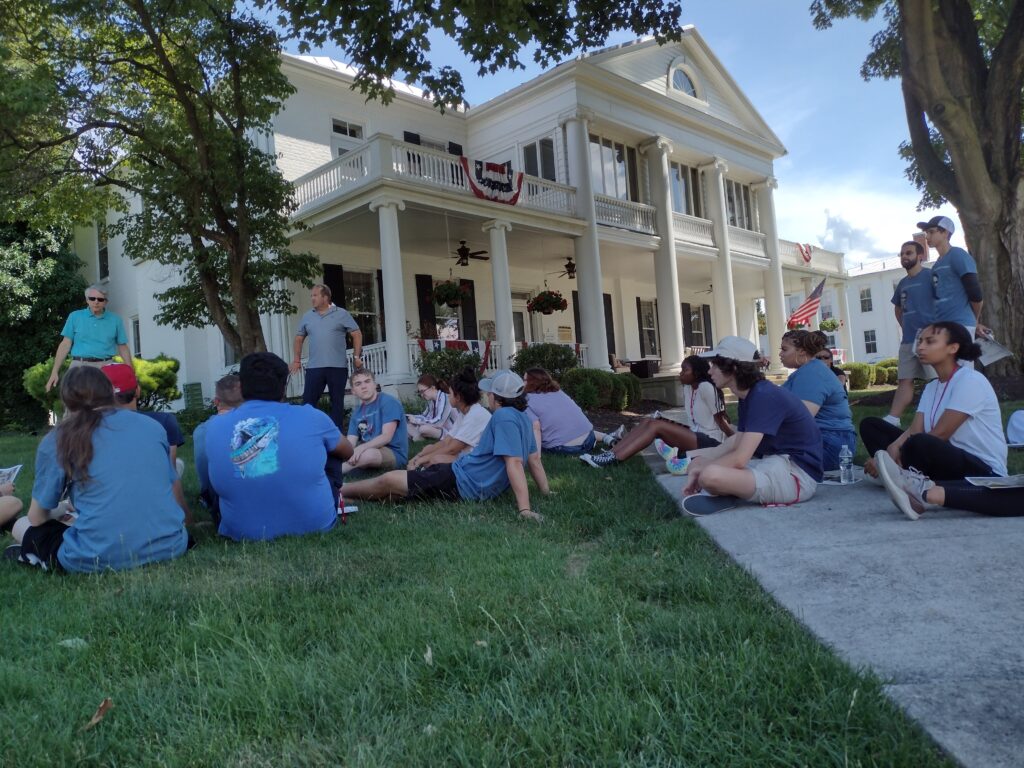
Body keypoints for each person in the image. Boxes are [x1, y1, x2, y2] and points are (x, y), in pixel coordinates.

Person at [5, 366, 189, 572]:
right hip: (171, 544)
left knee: (22, 524)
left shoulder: (58, 439)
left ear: (66, 400)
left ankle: (33, 553)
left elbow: (37, 517)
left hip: (95, 556)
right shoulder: (152, 427)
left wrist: (64, 508)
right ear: (110, 392)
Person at [343, 370, 549, 521]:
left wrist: (524, 510)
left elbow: (513, 462)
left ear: (497, 397)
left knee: (390, 480)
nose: (487, 396)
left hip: (463, 480)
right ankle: (351, 496)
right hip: (464, 475)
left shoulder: (502, 416)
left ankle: (340, 489)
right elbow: (535, 460)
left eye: (490, 393)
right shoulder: (523, 418)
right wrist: (546, 492)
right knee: (398, 491)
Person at [205, 352, 354, 541]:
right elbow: (347, 451)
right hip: (315, 524)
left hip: (241, 531)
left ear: (241, 386)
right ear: (284, 387)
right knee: (331, 447)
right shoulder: (312, 417)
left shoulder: (215, 426)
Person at [678, 336, 823, 517]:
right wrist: (698, 459)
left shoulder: (763, 396)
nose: (710, 372)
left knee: (710, 475)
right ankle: (732, 491)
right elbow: (737, 441)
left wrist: (704, 469)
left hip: (797, 477)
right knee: (702, 465)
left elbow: (740, 458)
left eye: (715, 365)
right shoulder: (750, 394)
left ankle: (730, 492)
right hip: (775, 464)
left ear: (734, 368)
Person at [861, 322, 1007, 491]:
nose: (921, 347)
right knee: (871, 426)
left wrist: (885, 459)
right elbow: (915, 429)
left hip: (982, 471)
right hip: (943, 458)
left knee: (921, 443)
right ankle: (900, 474)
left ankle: (897, 474)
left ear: (952, 348)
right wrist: (890, 449)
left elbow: (940, 434)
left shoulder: (970, 380)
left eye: (930, 342)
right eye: (920, 341)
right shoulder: (932, 387)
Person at [579, 356, 730, 471]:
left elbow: (722, 421)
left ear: (696, 373)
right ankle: (610, 454)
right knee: (648, 422)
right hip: (696, 436)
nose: (680, 373)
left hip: (711, 442)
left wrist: (736, 444)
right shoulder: (688, 388)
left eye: (685, 371)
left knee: (656, 426)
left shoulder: (706, 387)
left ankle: (614, 459)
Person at [100, 363, 192, 523]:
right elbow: (170, 476)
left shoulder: (85, 430)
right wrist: (188, 520)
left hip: (106, 513)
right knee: (176, 465)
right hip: (156, 517)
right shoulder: (163, 421)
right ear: (138, 390)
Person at [778, 330, 856, 472]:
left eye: (784, 349)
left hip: (829, 444)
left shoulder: (811, 373)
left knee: (757, 449)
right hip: (827, 440)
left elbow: (800, 419)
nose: (780, 354)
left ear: (801, 352)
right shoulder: (806, 371)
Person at [290, 284, 362, 429]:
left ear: (325, 297)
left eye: (315, 295)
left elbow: (356, 334)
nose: (312, 298)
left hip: (337, 367)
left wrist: (356, 356)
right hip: (314, 368)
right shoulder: (307, 316)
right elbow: (299, 338)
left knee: (337, 403)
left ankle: (336, 438)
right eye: (311, 296)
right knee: (308, 402)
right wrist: (296, 360)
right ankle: (306, 432)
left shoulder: (341, 313)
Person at [884, 240, 936, 425]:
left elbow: (943, 302)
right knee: (905, 380)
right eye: (902, 254)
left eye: (909, 253)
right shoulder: (903, 283)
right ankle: (893, 419)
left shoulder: (931, 276)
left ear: (920, 256)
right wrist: (906, 327)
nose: (904, 256)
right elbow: (898, 309)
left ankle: (937, 415)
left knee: (936, 380)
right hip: (908, 340)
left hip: (931, 339)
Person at [46, 284, 133, 391]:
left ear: (105, 302)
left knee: (105, 404)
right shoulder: (75, 316)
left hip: (106, 367)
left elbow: (122, 346)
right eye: (92, 298)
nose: (96, 302)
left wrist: (131, 372)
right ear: (87, 300)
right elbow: (65, 344)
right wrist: (54, 371)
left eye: (100, 299)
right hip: (79, 366)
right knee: (75, 403)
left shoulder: (115, 320)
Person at [917, 215, 988, 340]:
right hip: (942, 328)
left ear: (945, 233)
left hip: (961, 326)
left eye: (931, 232)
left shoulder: (958, 255)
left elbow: (975, 294)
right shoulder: (936, 265)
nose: (927, 236)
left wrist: (974, 320)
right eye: (926, 233)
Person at [523, 367, 621, 455]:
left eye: (524, 380)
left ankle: (608, 438)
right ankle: (607, 438)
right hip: (589, 439)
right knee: (572, 428)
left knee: (535, 443)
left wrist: (536, 456)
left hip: (567, 448)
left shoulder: (528, 401)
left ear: (532, 382)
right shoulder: (558, 392)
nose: (522, 383)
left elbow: (535, 428)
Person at [408, 367, 491, 469]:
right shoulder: (464, 413)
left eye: (450, 394)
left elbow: (452, 449)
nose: (448, 396)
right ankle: (424, 468)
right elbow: (446, 442)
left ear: (458, 397)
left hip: (478, 461)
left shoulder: (475, 414)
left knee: (436, 459)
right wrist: (418, 457)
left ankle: (424, 472)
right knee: (429, 449)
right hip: (465, 454)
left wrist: (422, 460)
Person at [193, 373, 242, 526]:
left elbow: (204, 475)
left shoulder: (202, 431)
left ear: (216, 401)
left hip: (220, 506)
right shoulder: (260, 426)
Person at [343, 368, 408, 474]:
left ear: (375, 385)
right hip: (368, 450)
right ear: (353, 391)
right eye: (358, 384)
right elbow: (350, 443)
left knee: (369, 455)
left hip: (393, 452)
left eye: (367, 381)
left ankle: (336, 472)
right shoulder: (356, 413)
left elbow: (386, 437)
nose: (364, 386)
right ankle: (355, 468)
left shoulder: (388, 402)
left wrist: (361, 448)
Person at [406, 374, 454, 440]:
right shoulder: (431, 401)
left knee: (423, 429)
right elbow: (424, 416)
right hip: (437, 428)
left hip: (450, 431)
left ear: (432, 388)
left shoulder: (445, 398)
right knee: (407, 424)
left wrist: (416, 421)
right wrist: (410, 417)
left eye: (422, 391)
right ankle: (417, 436)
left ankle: (417, 436)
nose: (422, 395)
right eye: (420, 392)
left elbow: (439, 422)